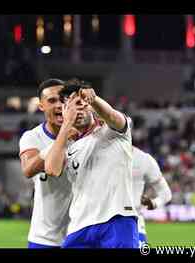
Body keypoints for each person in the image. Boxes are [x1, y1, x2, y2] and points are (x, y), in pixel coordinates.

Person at [43, 78, 138, 248]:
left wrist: (93, 99)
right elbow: (50, 169)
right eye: (70, 106)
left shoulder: (114, 131)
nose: (77, 110)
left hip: (117, 220)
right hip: (79, 226)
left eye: (80, 104)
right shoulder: (67, 144)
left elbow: (109, 114)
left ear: (91, 107)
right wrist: (66, 124)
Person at [19, 79, 72, 249]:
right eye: (52, 100)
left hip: (80, 234)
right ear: (41, 106)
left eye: (63, 99)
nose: (59, 105)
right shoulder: (32, 137)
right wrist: (63, 137)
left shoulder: (84, 135)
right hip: (44, 238)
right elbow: (28, 169)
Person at [132, 145, 172, 246]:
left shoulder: (143, 159)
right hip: (102, 223)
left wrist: (153, 203)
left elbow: (166, 193)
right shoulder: (99, 155)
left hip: (134, 222)